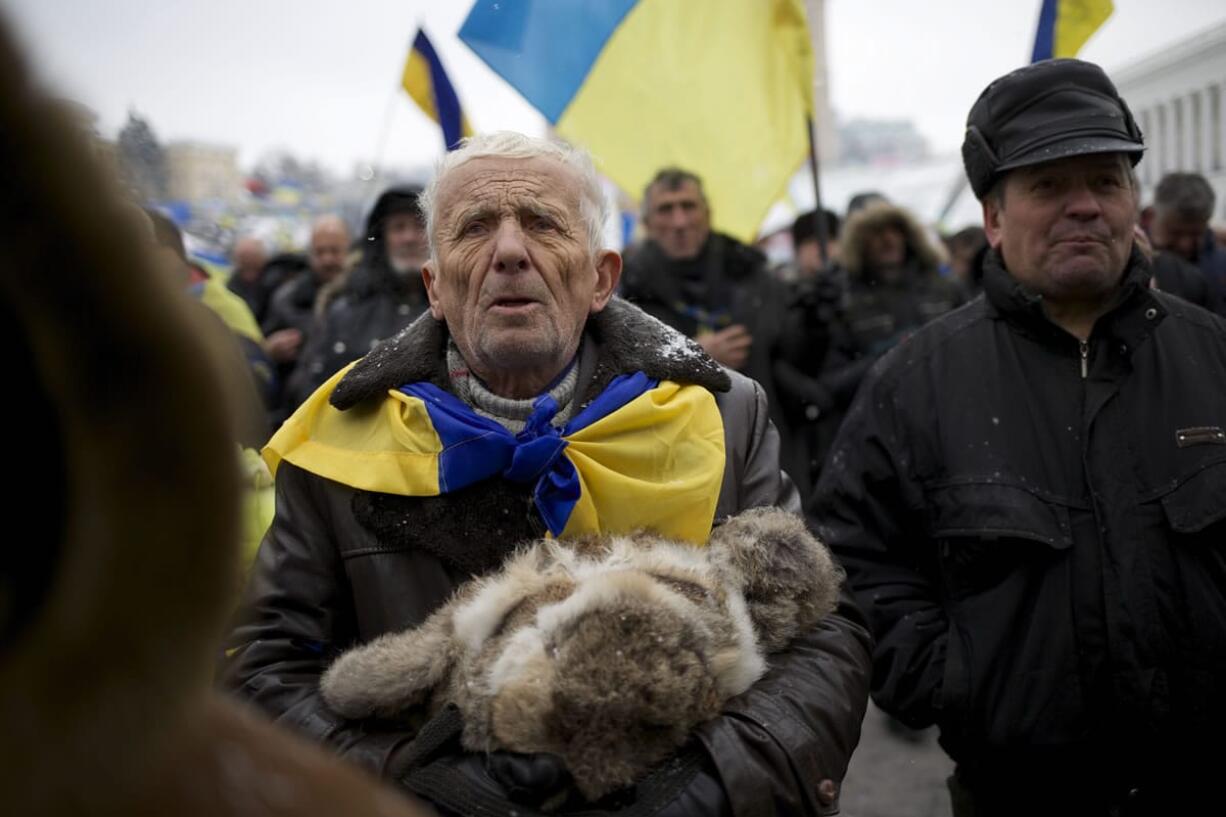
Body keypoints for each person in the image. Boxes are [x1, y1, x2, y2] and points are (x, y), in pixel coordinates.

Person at [223, 132, 871, 816]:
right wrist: (409, 782)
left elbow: (819, 633)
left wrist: (707, 783)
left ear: (600, 277)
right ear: (434, 286)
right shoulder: (336, 440)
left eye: (542, 223)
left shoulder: (723, 415)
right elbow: (266, 667)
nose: (509, 251)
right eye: (475, 227)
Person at [809, 58, 1226, 815]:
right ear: (994, 219)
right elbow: (850, 564)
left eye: (1106, 181)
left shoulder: (1214, 356)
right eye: (1048, 187)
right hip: (1019, 797)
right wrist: (956, 681)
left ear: (1135, 201)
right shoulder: (918, 384)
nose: (1085, 208)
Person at [619, 168, 799, 483]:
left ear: (707, 213)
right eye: (666, 209)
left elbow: (794, 357)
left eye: (688, 206)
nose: (680, 222)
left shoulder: (754, 275)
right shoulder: (625, 292)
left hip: (761, 443)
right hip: (674, 455)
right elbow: (620, 378)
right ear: (648, 223)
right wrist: (695, 357)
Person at [285, 186, 432, 408]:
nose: (409, 238)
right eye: (398, 228)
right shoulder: (344, 309)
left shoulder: (459, 307)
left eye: (419, 226)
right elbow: (311, 391)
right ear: (383, 240)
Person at [1145, 171, 1226, 316]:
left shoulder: (1221, 269)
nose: (1185, 244)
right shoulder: (1130, 259)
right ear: (1152, 216)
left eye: (1196, 234)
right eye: (1175, 233)